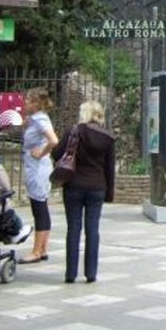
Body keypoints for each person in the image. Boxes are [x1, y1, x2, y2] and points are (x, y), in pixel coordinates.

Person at [53, 100, 116, 284]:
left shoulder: (73, 131)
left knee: (73, 228)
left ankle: (70, 273)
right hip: (97, 186)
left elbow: (57, 154)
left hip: (73, 185)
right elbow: (110, 168)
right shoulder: (108, 138)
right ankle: (91, 273)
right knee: (92, 229)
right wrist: (109, 193)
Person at [20, 87, 58, 263]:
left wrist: (41, 153)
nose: (25, 103)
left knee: (39, 207)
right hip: (34, 167)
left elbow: (53, 140)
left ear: (36, 103)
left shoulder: (41, 119)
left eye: (28, 100)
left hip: (38, 168)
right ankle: (42, 248)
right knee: (40, 207)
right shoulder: (34, 119)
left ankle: (36, 250)